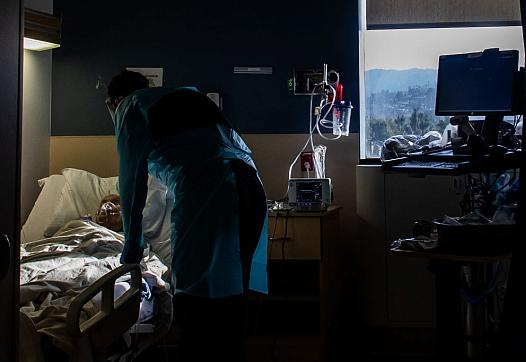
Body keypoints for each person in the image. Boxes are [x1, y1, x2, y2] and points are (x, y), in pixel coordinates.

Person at [105, 70, 268, 361]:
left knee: (194, 299)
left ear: (114, 101)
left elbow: (131, 181)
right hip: (250, 185)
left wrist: (131, 249)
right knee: (231, 296)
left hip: (211, 190)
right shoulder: (180, 97)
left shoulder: (130, 106)